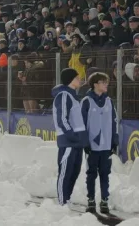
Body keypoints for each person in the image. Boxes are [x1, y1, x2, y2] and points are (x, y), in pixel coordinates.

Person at [81, 72, 119, 215]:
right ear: (95, 84)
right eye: (103, 82)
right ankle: (91, 200)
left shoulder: (109, 101)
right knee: (91, 174)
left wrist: (114, 141)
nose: (106, 84)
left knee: (105, 174)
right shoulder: (86, 101)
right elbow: (82, 125)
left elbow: (114, 121)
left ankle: (104, 200)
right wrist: (85, 143)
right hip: (92, 146)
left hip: (106, 146)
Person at [52, 67, 88, 206]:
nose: (79, 79)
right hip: (68, 141)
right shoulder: (63, 96)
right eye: (77, 77)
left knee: (75, 171)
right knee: (65, 172)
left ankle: (67, 198)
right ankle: (62, 201)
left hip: (77, 142)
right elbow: (62, 119)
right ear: (70, 80)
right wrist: (72, 135)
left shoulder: (73, 96)